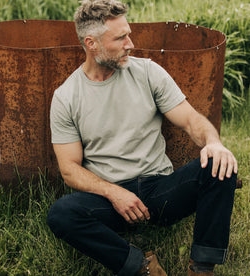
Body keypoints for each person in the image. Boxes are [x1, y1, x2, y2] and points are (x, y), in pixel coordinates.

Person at [47, 0, 238, 275]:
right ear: (92, 43)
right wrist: (114, 193)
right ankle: (141, 266)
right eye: (120, 37)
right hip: (110, 200)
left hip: (159, 190)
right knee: (61, 214)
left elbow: (191, 119)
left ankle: (202, 268)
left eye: (129, 33)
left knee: (221, 168)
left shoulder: (147, 72)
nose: (130, 44)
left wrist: (214, 143)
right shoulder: (66, 97)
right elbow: (69, 169)